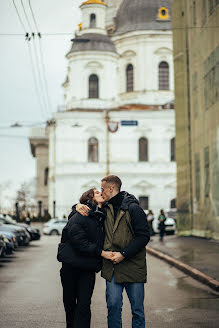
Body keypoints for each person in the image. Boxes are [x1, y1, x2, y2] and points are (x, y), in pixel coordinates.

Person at [76, 175, 150, 328]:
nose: (101, 193)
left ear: (111, 188)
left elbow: (143, 237)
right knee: (113, 307)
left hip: (134, 267)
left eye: (102, 189)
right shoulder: (103, 209)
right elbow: (84, 211)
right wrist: (76, 206)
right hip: (112, 267)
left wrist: (123, 254)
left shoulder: (133, 208)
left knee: (137, 310)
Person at [59, 188, 113, 328]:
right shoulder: (81, 213)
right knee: (70, 304)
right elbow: (79, 241)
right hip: (71, 267)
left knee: (84, 305)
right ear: (90, 198)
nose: (101, 193)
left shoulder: (102, 215)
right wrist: (102, 253)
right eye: (96, 192)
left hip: (87, 268)